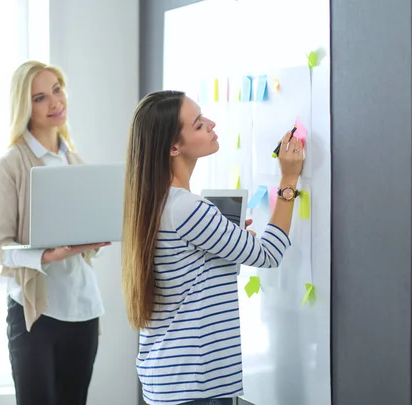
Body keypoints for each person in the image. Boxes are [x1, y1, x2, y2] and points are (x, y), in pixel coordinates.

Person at [121, 90, 305, 405]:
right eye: (198, 124)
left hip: (170, 379)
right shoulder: (187, 208)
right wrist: (289, 179)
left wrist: (226, 239)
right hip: (195, 385)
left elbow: (191, 277)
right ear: (173, 147)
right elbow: (268, 254)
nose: (211, 124)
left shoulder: (154, 203)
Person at [0, 60, 110, 405]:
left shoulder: (78, 164)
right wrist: (47, 254)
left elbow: (90, 247)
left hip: (83, 309)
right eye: (40, 97)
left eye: (57, 90)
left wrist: (96, 239)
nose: (55, 103)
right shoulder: (9, 166)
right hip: (35, 314)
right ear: (25, 107)